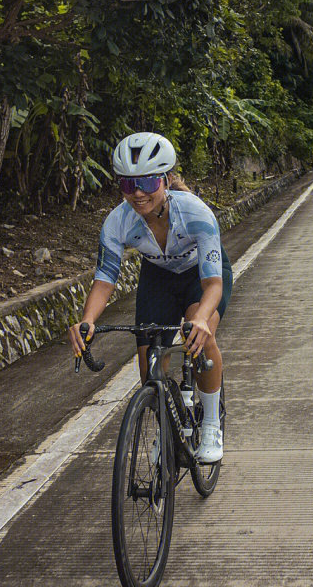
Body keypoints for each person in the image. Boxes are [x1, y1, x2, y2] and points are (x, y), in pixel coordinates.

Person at [67, 132, 232, 463]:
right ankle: (166, 430)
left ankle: (211, 422)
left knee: (201, 335)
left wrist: (200, 318)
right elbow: (104, 279)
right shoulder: (117, 222)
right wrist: (87, 320)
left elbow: (213, 283)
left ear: (166, 178)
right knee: (149, 362)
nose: (138, 193)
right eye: (128, 185)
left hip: (200, 276)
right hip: (157, 277)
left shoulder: (197, 213)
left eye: (146, 182)